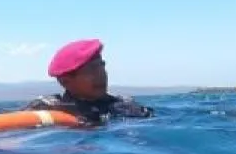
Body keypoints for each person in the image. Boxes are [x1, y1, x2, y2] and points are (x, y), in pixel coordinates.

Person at [23, 39, 154, 124]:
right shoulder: (46, 107)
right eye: (91, 70)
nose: (101, 75)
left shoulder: (124, 106)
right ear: (65, 81)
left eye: (101, 66)